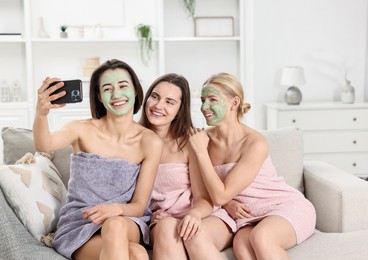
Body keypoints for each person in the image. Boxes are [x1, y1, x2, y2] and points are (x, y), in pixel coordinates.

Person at [33, 59, 163, 260]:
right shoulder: (80, 129)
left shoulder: (150, 142)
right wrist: (42, 113)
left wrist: (115, 209)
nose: (116, 94)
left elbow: (139, 205)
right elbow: (44, 144)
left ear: (136, 91)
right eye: (107, 88)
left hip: (126, 219)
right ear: (99, 97)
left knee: (115, 224)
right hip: (80, 223)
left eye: (123, 86)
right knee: (136, 254)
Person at [188, 72, 316, 260]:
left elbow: (221, 194)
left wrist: (201, 153)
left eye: (213, 99)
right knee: (242, 245)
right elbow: (208, 194)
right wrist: (229, 203)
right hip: (246, 219)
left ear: (234, 102)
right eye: (203, 100)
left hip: (283, 206)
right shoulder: (201, 139)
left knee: (262, 237)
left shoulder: (254, 143)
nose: (205, 107)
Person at [139, 73, 213, 260]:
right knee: (166, 227)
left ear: (180, 110)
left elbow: (204, 199)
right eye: (155, 97)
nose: (158, 106)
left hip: (192, 217)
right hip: (158, 222)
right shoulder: (133, 140)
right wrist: (149, 216)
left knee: (180, 230)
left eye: (170, 102)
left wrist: (193, 215)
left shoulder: (190, 142)